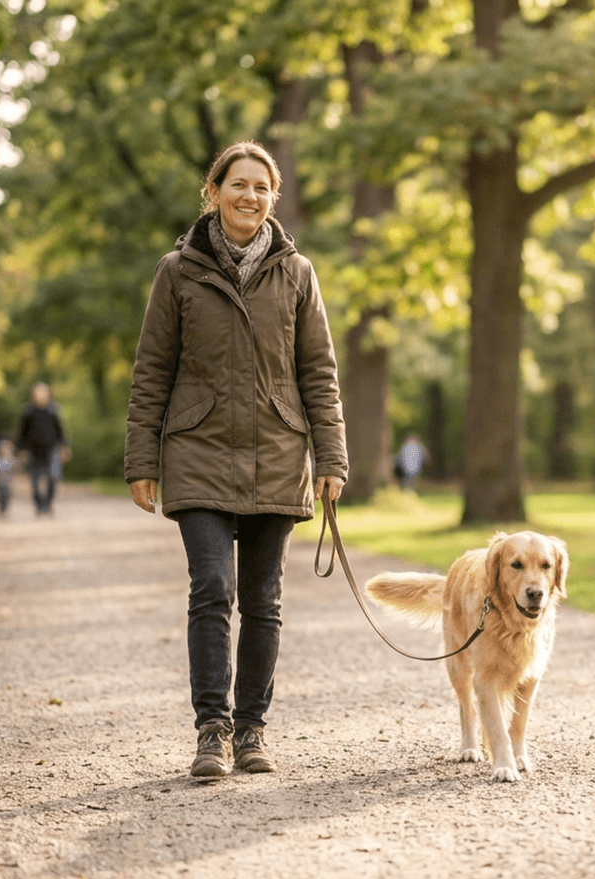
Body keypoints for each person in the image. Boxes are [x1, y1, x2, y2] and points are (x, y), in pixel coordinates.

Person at [124, 140, 347, 779]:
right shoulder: (177, 271)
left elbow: (318, 372)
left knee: (263, 600)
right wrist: (142, 458)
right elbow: (152, 370)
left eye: (261, 187)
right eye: (238, 184)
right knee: (212, 588)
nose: (250, 196)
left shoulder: (297, 272)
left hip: (277, 450)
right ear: (214, 191)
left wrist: (331, 457)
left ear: (273, 198)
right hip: (196, 450)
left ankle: (251, 730)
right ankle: (212, 732)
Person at [17, 382, 67, 517]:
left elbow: (59, 429)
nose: (41, 395)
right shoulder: (28, 411)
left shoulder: (53, 410)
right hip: (33, 450)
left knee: (53, 477)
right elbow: (22, 432)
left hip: (51, 448)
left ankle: (48, 503)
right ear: (33, 395)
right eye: (38, 392)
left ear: (48, 394)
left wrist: (64, 446)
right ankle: (39, 505)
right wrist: (22, 450)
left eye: (43, 392)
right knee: (35, 480)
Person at [0, 438, 16, 517]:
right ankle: (0, 510)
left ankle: (5, 510)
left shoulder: (12, 460)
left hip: (7, 483)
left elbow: (13, 471)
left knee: (7, 497)